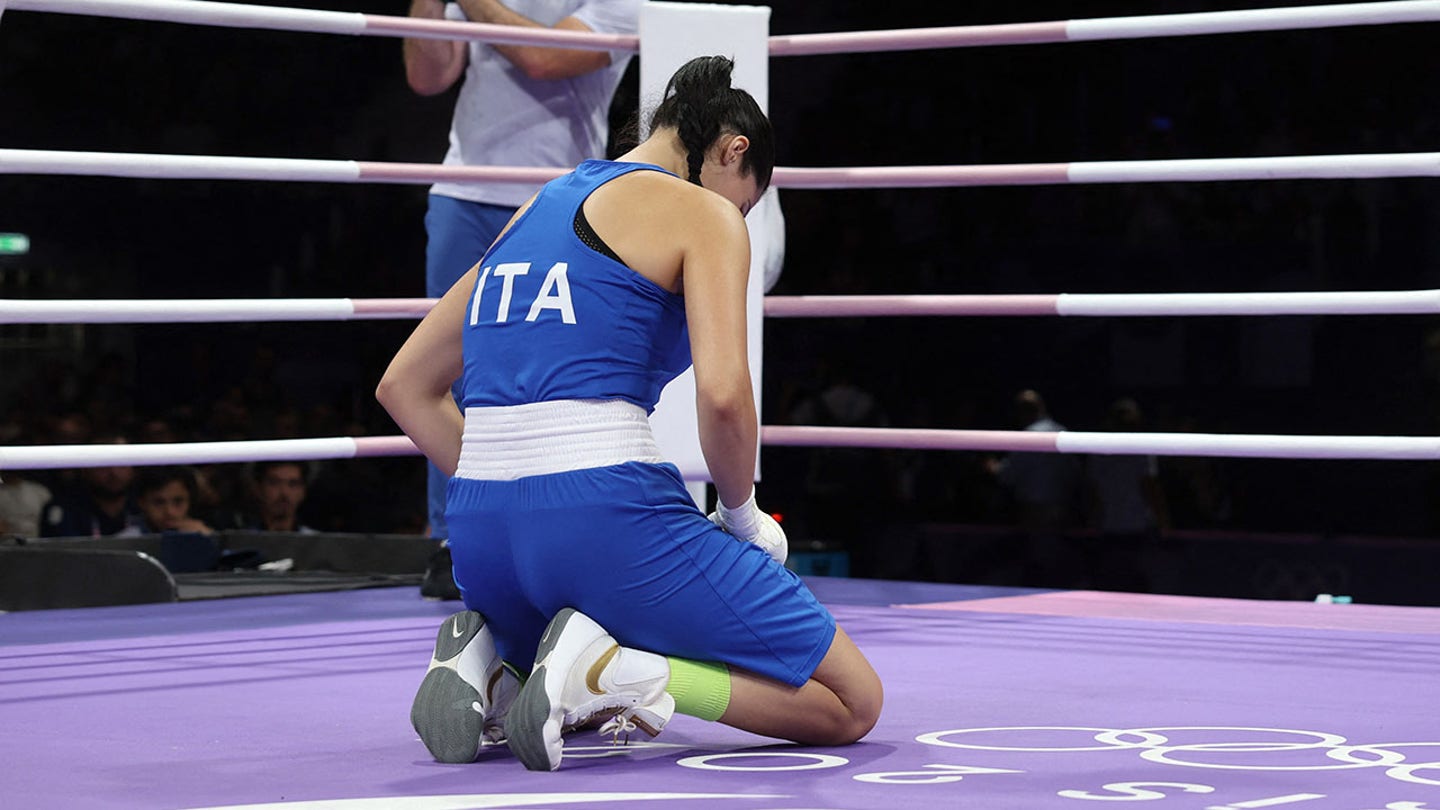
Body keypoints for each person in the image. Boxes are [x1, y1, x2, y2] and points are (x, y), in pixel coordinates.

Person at [377, 56, 882, 772]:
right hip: (603, 518)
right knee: (848, 702)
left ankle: (495, 667)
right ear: (734, 151)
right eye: (745, 203)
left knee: (564, 685)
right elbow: (725, 397)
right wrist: (743, 517)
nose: (736, 218)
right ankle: (623, 671)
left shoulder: (534, 208)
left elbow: (402, 386)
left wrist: (515, 483)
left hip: (482, 544)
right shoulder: (702, 212)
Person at [402, 0, 642, 541]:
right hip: (463, 191)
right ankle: (453, 538)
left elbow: (544, 57)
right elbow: (427, 76)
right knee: (447, 373)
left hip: (559, 200)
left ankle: (550, 531)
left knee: (552, 372)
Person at [39, 434, 144, 538]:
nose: (114, 473)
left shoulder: (144, 504)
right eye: (103, 465)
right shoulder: (65, 508)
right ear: (85, 469)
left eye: (121, 464)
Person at [124, 466, 215, 536]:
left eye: (178, 502)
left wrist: (209, 540)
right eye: (159, 502)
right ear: (142, 503)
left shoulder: (204, 534)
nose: (169, 512)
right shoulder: (124, 543)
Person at [245, 461, 315, 533]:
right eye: (274, 483)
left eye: (293, 484)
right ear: (258, 488)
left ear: (303, 491)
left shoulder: (318, 542)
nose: (284, 492)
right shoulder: (241, 541)